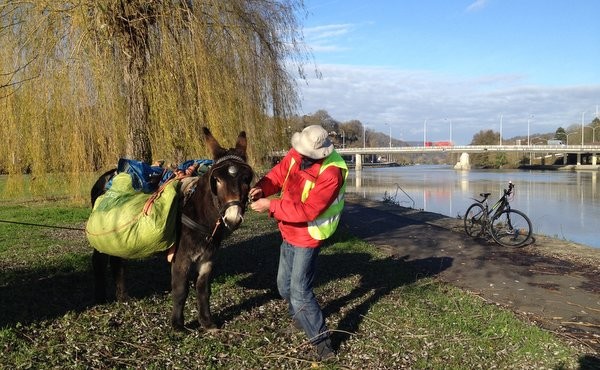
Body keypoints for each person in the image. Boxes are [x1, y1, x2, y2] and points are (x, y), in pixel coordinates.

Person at [249, 125, 348, 361]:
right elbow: (277, 175)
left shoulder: (332, 173)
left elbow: (308, 210)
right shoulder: (297, 154)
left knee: (300, 292)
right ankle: (299, 320)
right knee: (284, 286)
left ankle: (324, 347)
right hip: (288, 230)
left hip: (309, 234)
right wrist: (261, 188)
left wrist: (270, 205)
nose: (300, 154)